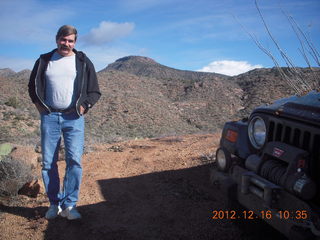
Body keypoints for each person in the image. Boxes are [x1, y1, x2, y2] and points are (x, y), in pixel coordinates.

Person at [28, 25, 101, 220]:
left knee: (74, 161)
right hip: (50, 117)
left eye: (70, 41)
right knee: (48, 162)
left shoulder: (83, 61)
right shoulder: (44, 60)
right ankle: (54, 204)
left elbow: (94, 91)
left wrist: (84, 106)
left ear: (75, 42)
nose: (66, 44)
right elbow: (32, 86)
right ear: (57, 39)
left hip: (74, 118)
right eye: (63, 40)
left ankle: (70, 205)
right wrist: (39, 106)